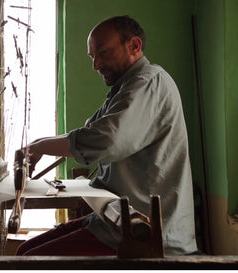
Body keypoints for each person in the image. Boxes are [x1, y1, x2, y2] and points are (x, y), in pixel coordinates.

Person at [16, 15, 198, 256]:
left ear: (134, 46)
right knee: (25, 250)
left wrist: (38, 148)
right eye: (93, 56)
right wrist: (37, 144)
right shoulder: (125, 87)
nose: (96, 65)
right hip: (115, 221)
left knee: (29, 260)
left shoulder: (148, 82)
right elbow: (90, 131)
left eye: (103, 52)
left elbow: (104, 140)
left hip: (145, 232)